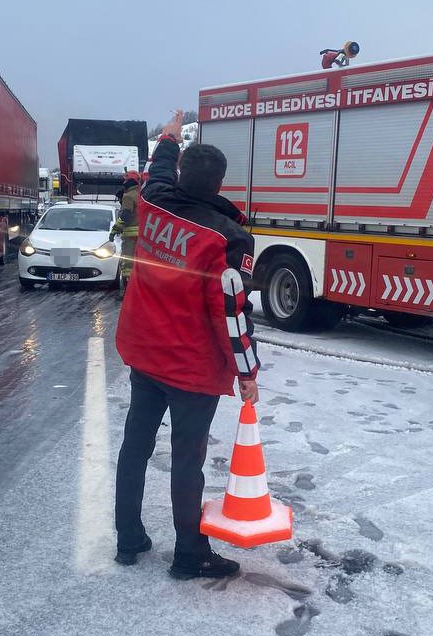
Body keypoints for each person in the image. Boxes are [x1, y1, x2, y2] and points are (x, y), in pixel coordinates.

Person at [114, 110, 261, 580]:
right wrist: (248, 373)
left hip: (144, 353)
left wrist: (170, 135)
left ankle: (128, 537)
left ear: (181, 175)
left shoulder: (154, 201)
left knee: (135, 446)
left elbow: (158, 169)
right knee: (186, 460)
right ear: (219, 184)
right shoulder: (230, 240)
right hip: (191, 368)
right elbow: (232, 315)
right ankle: (189, 553)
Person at [109, 170, 141, 299]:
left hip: (130, 237)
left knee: (127, 264)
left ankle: (128, 293)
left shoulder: (128, 196)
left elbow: (125, 216)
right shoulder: (141, 194)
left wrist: (114, 230)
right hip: (142, 237)